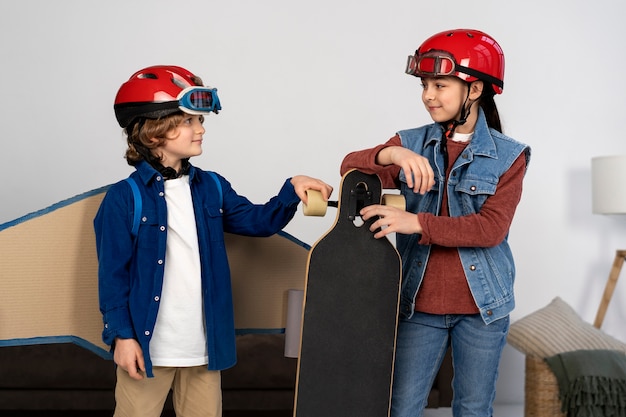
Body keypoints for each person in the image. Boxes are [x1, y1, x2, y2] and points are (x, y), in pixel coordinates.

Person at [94, 65, 333, 417]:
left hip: (204, 350)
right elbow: (112, 276)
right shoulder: (124, 198)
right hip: (148, 350)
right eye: (189, 121)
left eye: (200, 121)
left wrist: (292, 189)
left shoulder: (212, 187)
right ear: (154, 132)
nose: (201, 129)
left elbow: (258, 222)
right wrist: (122, 337)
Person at [340, 29, 531, 417]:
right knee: (402, 407)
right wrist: (390, 153)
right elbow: (348, 169)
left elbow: (489, 229)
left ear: (474, 89)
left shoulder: (510, 156)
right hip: (419, 306)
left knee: (473, 408)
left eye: (440, 85)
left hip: (483, 309)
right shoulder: (409, 143)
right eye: (425, 84)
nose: (428, 95)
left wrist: (416, 222)